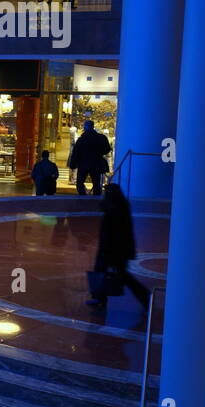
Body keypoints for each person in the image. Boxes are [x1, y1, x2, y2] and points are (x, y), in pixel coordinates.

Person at [87, 182, 151, 311]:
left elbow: (112, 232)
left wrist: (107, 250)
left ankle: (144, 296)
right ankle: (101, 299)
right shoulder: (121, 206)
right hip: (119, 250)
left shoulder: (113, 209)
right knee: (118, 275)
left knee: (114, 275)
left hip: (112, 250)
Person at [68, 119, 112, 196]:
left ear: (85, 127)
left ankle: (83, 197)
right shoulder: (101, 138)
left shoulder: (81, 140)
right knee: (96, 183)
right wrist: (99, 153)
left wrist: (73, 164)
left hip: (83, 164)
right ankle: (95, 198)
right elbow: (107, 149)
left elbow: (75, 153)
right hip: (96, 163)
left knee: (80, 182)